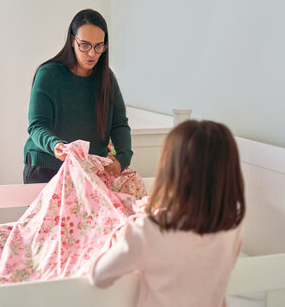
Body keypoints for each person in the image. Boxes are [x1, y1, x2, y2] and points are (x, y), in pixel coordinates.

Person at [88, 120, 246, 307]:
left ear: (170, 172)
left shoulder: (148, 230)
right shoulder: (232, 229)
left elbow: (99, 276)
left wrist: (124, 234)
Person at [23, 9, 132, 184]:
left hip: (90, 170)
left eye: (99, 46)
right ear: (73, 41)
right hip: (47, 167)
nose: (92, 53)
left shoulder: (107, 79)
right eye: (85, 45)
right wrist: (55, 145)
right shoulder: (49, 75)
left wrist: (123, 158)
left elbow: (119, 125)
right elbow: (37, 126)